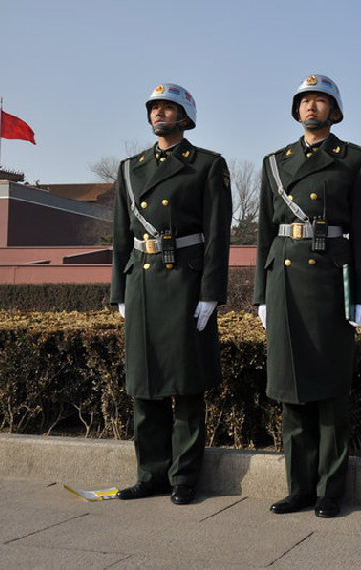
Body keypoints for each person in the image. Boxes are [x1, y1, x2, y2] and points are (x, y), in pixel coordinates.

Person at [254, 74, 361, 518]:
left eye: (320, 100)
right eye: (305, 100)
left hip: (330, 281)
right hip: (284, 281)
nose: (311, 106)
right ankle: (299, 487)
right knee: (291, 390)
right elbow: (265, 234)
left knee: (329, 391)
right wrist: (260, 295)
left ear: (334, 110)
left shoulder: (356, 161)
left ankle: (330, 490)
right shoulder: (274, 162)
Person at [110, 83, 232, 505]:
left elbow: (217, 236)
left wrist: (211, 292)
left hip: (184, 282)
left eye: (168, 107)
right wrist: (119, 291)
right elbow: (120, 238)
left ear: (185, 117)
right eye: (155, 108)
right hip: (142, 283)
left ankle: (184, 478)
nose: (159, 113)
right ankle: (150, 475)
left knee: (186, 386)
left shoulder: (206, 165)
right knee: (144, 387)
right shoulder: (129, 168)